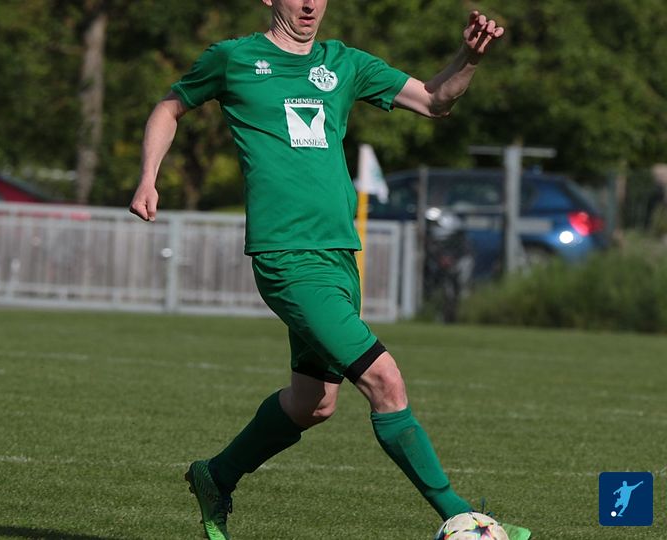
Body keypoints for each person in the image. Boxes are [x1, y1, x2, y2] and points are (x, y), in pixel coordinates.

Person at [129, 2, 530, 539]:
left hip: (340, 255)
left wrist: (469, 57)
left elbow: (434, 101)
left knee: (313, 403)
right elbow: (169, 107)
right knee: (385, 379)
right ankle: (464, 518)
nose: (309, 4)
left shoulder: (346, 63)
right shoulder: (233, 59)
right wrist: (148, 178)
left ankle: (216, 476)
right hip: (287, 256)